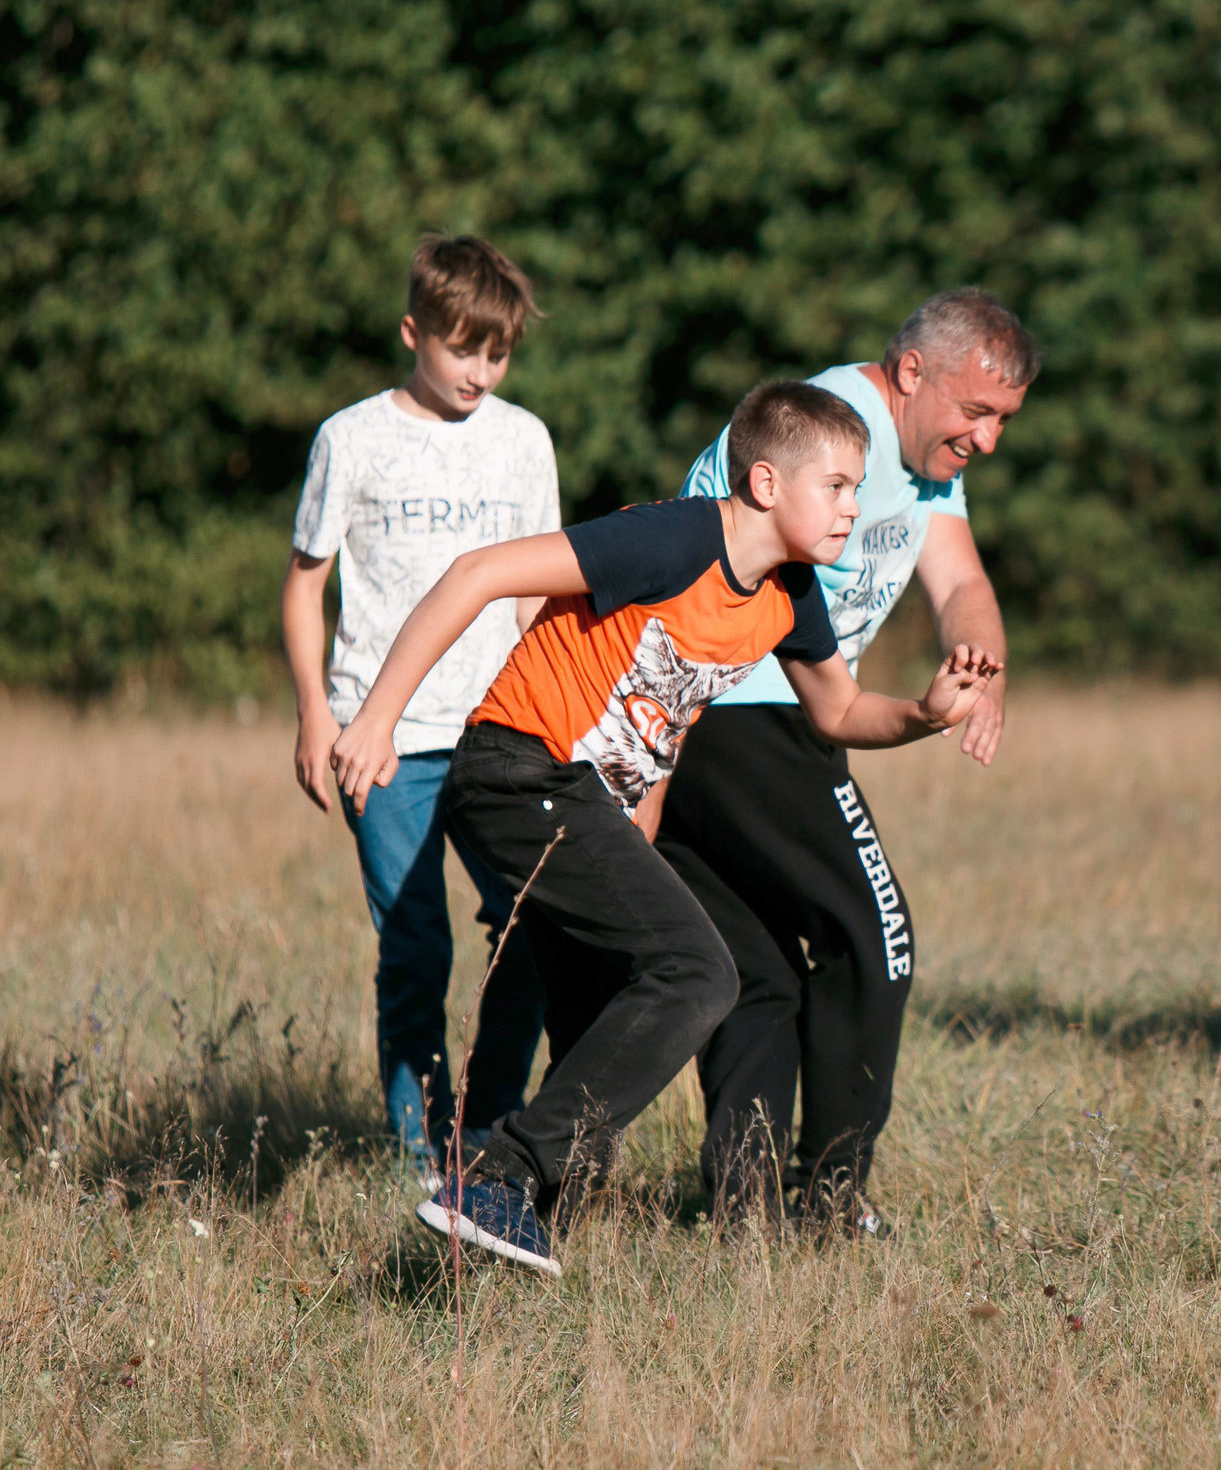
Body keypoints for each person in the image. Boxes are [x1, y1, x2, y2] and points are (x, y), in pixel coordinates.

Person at [328, 380, 999, 1275]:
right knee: (699, 970)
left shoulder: (789, 593)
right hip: (516, 770)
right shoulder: (675, 538)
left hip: (578, 803)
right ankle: (498, 1172)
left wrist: (924, 709)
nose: (855, 506)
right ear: (764, 483)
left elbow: (837, 712)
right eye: (837, 485)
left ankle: (497, 1251)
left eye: (859, 485)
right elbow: (479, 573)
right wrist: (378, 717)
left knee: (601, 1023)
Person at [651, 288, 1034, 1230]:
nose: (985, 440)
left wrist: (980, 665)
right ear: (911, 373)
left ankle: (744, 1212)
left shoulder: (927, 464)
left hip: (726, 723)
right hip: (741, 709)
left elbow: (963, 582)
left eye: (1002, 422)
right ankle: (832, 1197)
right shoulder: (827, 430)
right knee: (879, 939)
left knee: (762, 972)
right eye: (975, 413)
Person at [281, 235, 555, 1174]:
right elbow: (303, 584)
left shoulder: (524, 441)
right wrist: (319, 715)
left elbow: (537, 593)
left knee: (534, 915)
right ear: (413, 332)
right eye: (461, 347)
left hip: (499, 731)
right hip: (381, 736)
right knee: (414, 945)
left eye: (498, 351)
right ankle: (419, 1152)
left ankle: (489, 1124)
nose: (479, 370)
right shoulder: (350, 438)